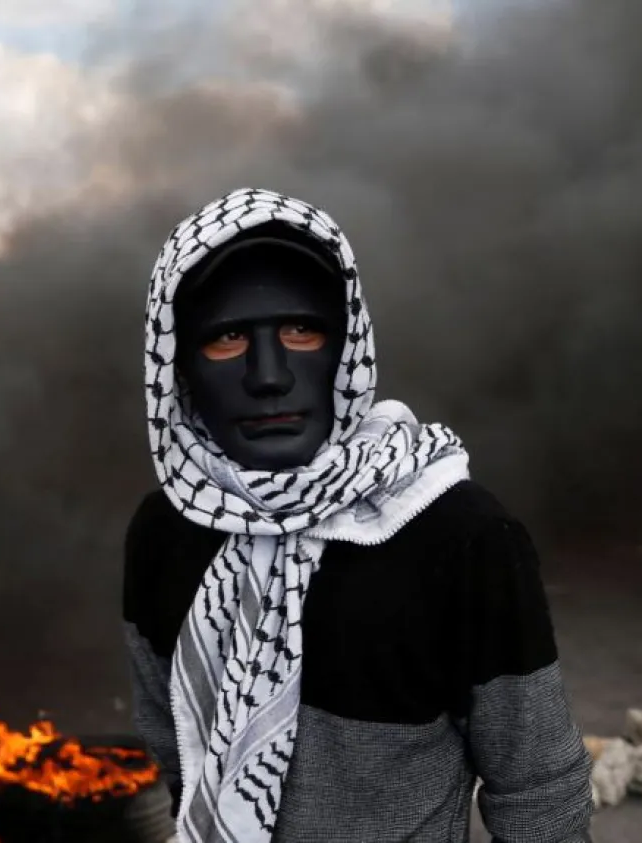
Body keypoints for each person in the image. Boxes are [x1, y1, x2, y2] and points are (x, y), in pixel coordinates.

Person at [122, 187, 594, 843]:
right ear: (177, 367)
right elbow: (175, 752)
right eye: (227, 337)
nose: (269, 375)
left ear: (348, 348)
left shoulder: (459, 536)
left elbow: (539, 791)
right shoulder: (166, 531)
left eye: (301, 330)